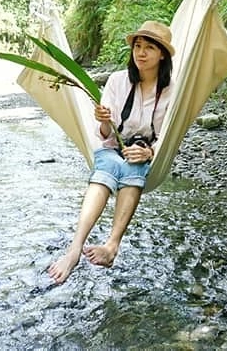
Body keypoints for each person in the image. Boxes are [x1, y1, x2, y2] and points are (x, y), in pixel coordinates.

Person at [47, 20, 175, 285]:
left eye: (149, 47)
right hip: (112, 148)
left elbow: (167, 137)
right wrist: (103, 119)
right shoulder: (117, 81)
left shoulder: (172, 92)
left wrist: (150, 153)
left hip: (142, 153)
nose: (140, 53)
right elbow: (104, 133)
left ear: (162, 53)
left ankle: (111, 246)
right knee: (105, 170)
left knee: (132, 167)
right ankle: (74, 250)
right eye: (137, 46)